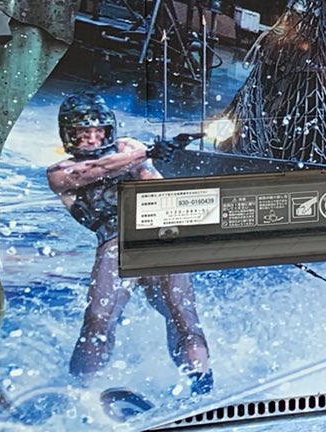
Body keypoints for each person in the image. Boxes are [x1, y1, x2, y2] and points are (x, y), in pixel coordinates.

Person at [45, 94, 213, 392]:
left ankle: (201, 381)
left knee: (181, 312)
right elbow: (95, 170)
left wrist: (153, 155)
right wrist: (148, 152)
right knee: (98, 319)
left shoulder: (128, 148)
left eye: (99, 131)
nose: (93, 139)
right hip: (115, 242)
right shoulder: (59, 172)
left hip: (159, 235)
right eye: (84, 133)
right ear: (69, 135)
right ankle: (81, 390)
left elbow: (160, 191)